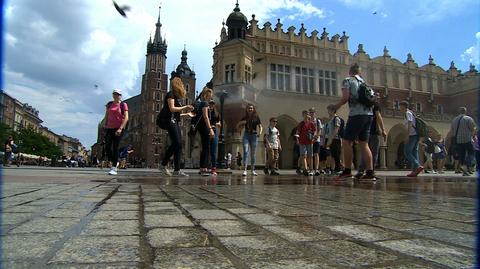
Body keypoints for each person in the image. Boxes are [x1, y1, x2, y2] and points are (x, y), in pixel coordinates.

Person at [333, 63, 375, 180]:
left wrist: (336, 106)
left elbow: (345, 98)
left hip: (356, 115)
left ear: (349, 72)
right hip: (369, 115)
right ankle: (370, 172)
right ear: (359, 72)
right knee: (364, 144)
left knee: (346, 142)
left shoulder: (347, 80)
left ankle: (347, 171)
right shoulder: (364, 82)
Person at [158, 77, 195, 177]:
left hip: (173, 120)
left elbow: (176, 114)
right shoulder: (170, 94)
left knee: (179, 145)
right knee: (177, 142)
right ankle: (163, 164)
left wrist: (186, 115)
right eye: (181, 84)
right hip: (167, 120)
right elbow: (172, 109)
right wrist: (185, 107)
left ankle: (177, 170)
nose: (183, 86)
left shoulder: (176, 98)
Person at [355, 102, 387, 178]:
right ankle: (371, 171)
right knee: (373, 152)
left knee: (365, 152)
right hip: (373, 132)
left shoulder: (362, 105)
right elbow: (378, 116)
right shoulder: (375, 105)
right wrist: (383, 130)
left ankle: (361, 170)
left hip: (364, 132)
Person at [104, 89, 129, 175]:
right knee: (107, 147)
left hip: (118, 128)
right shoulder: (109, 104)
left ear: (120, 96)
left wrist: (120, 128)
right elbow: (106, 115)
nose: (116, 95)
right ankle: (115, 161)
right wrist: (104, 124)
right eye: (114, 94)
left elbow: (126, 118)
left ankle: (114, 168)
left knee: (115, 147)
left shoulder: (123, 105)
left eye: (118, 94)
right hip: (109, 128)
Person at [398, 101, 424, 177]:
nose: (400, 109)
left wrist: (407, 135)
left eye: (400, 107)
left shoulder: (407, 113)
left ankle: (418, 165)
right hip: (415, 134)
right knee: (414, 152)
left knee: (407, 152)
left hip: (412, 135)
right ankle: (414, 171)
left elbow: (409, 123)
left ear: (403, 106)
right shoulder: (410, 113)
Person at [236, 104, 262, 176]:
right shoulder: (244, 117)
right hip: (246, 135)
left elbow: (260, 126)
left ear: (253, 109)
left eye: (251, 108)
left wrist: (260, 132)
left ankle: (253, 170)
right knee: (246, 151)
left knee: (253, 153)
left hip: (254, 135)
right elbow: (237, 125)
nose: (250, 109)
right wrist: (242, 123)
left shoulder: (256, 117)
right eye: (249, 108)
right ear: (247, 109)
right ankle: (245, 170)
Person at [450, 107, 476, 176]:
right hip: (467, 139)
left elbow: (452, 131)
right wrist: (473, 136)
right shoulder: (468, 118)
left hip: (458, 140)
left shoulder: (454, 120)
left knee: (462, 155)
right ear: (465, 111)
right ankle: (466, 164)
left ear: (459, 111)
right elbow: (473, 129)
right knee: (472, 153)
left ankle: (464, 170)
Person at [197, 87, 216, 176]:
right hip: (204, 127)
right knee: (206, 147)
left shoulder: (201, 103)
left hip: (201, 127)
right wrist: (210, 129)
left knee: (205, 147)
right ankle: (204, 168)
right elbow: (205, 117)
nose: (211, 97)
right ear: (206, 95)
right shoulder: (204, 103)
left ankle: (202, 168)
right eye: (209, 96)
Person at [295, 110, 316, 176]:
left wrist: (313, 137)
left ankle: (311, 169)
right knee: (303, 155)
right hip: (302, 142)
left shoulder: (311, 123)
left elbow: (315, 131)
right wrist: (297, 139)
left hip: (310, 142)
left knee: (310, 156)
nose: (306, 115)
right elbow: (297, 133)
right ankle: (305, 169)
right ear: (302, 115)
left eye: (307, 114)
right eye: (304, 114)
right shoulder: (301, 124)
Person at [324, 105, 343, 175]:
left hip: (335, 139)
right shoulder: (331, 119)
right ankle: (335, 169)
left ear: (332, 111)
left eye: (329, 110)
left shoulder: (336, 119)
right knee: (333, 155)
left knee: (336, 155)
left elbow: (336, 129)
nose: (328, 112)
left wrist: (331, 139)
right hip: (331, 139)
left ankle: (338, 169)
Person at [309, 108, 323, 176]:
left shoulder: (318, 121)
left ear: (315, 113)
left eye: (313, 112)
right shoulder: (308, 121)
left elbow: (320, 130)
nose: (311, 113)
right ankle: (311, 169)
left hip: (316, 139)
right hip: (309, 140)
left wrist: (317, 136)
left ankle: (316, 169)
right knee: (310, 155)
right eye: (310, 112)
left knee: (316, 154)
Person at [208, 99, 221, 176]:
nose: (211, 105)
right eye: (210, 103)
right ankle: (204, 167)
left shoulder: (216, 113)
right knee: (206, 149)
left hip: (214, 131)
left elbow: (219, 122)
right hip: (207, 131)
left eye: (212, 104)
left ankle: (213, 168)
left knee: (213, 151)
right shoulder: (206, 111)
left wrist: (216, 124)